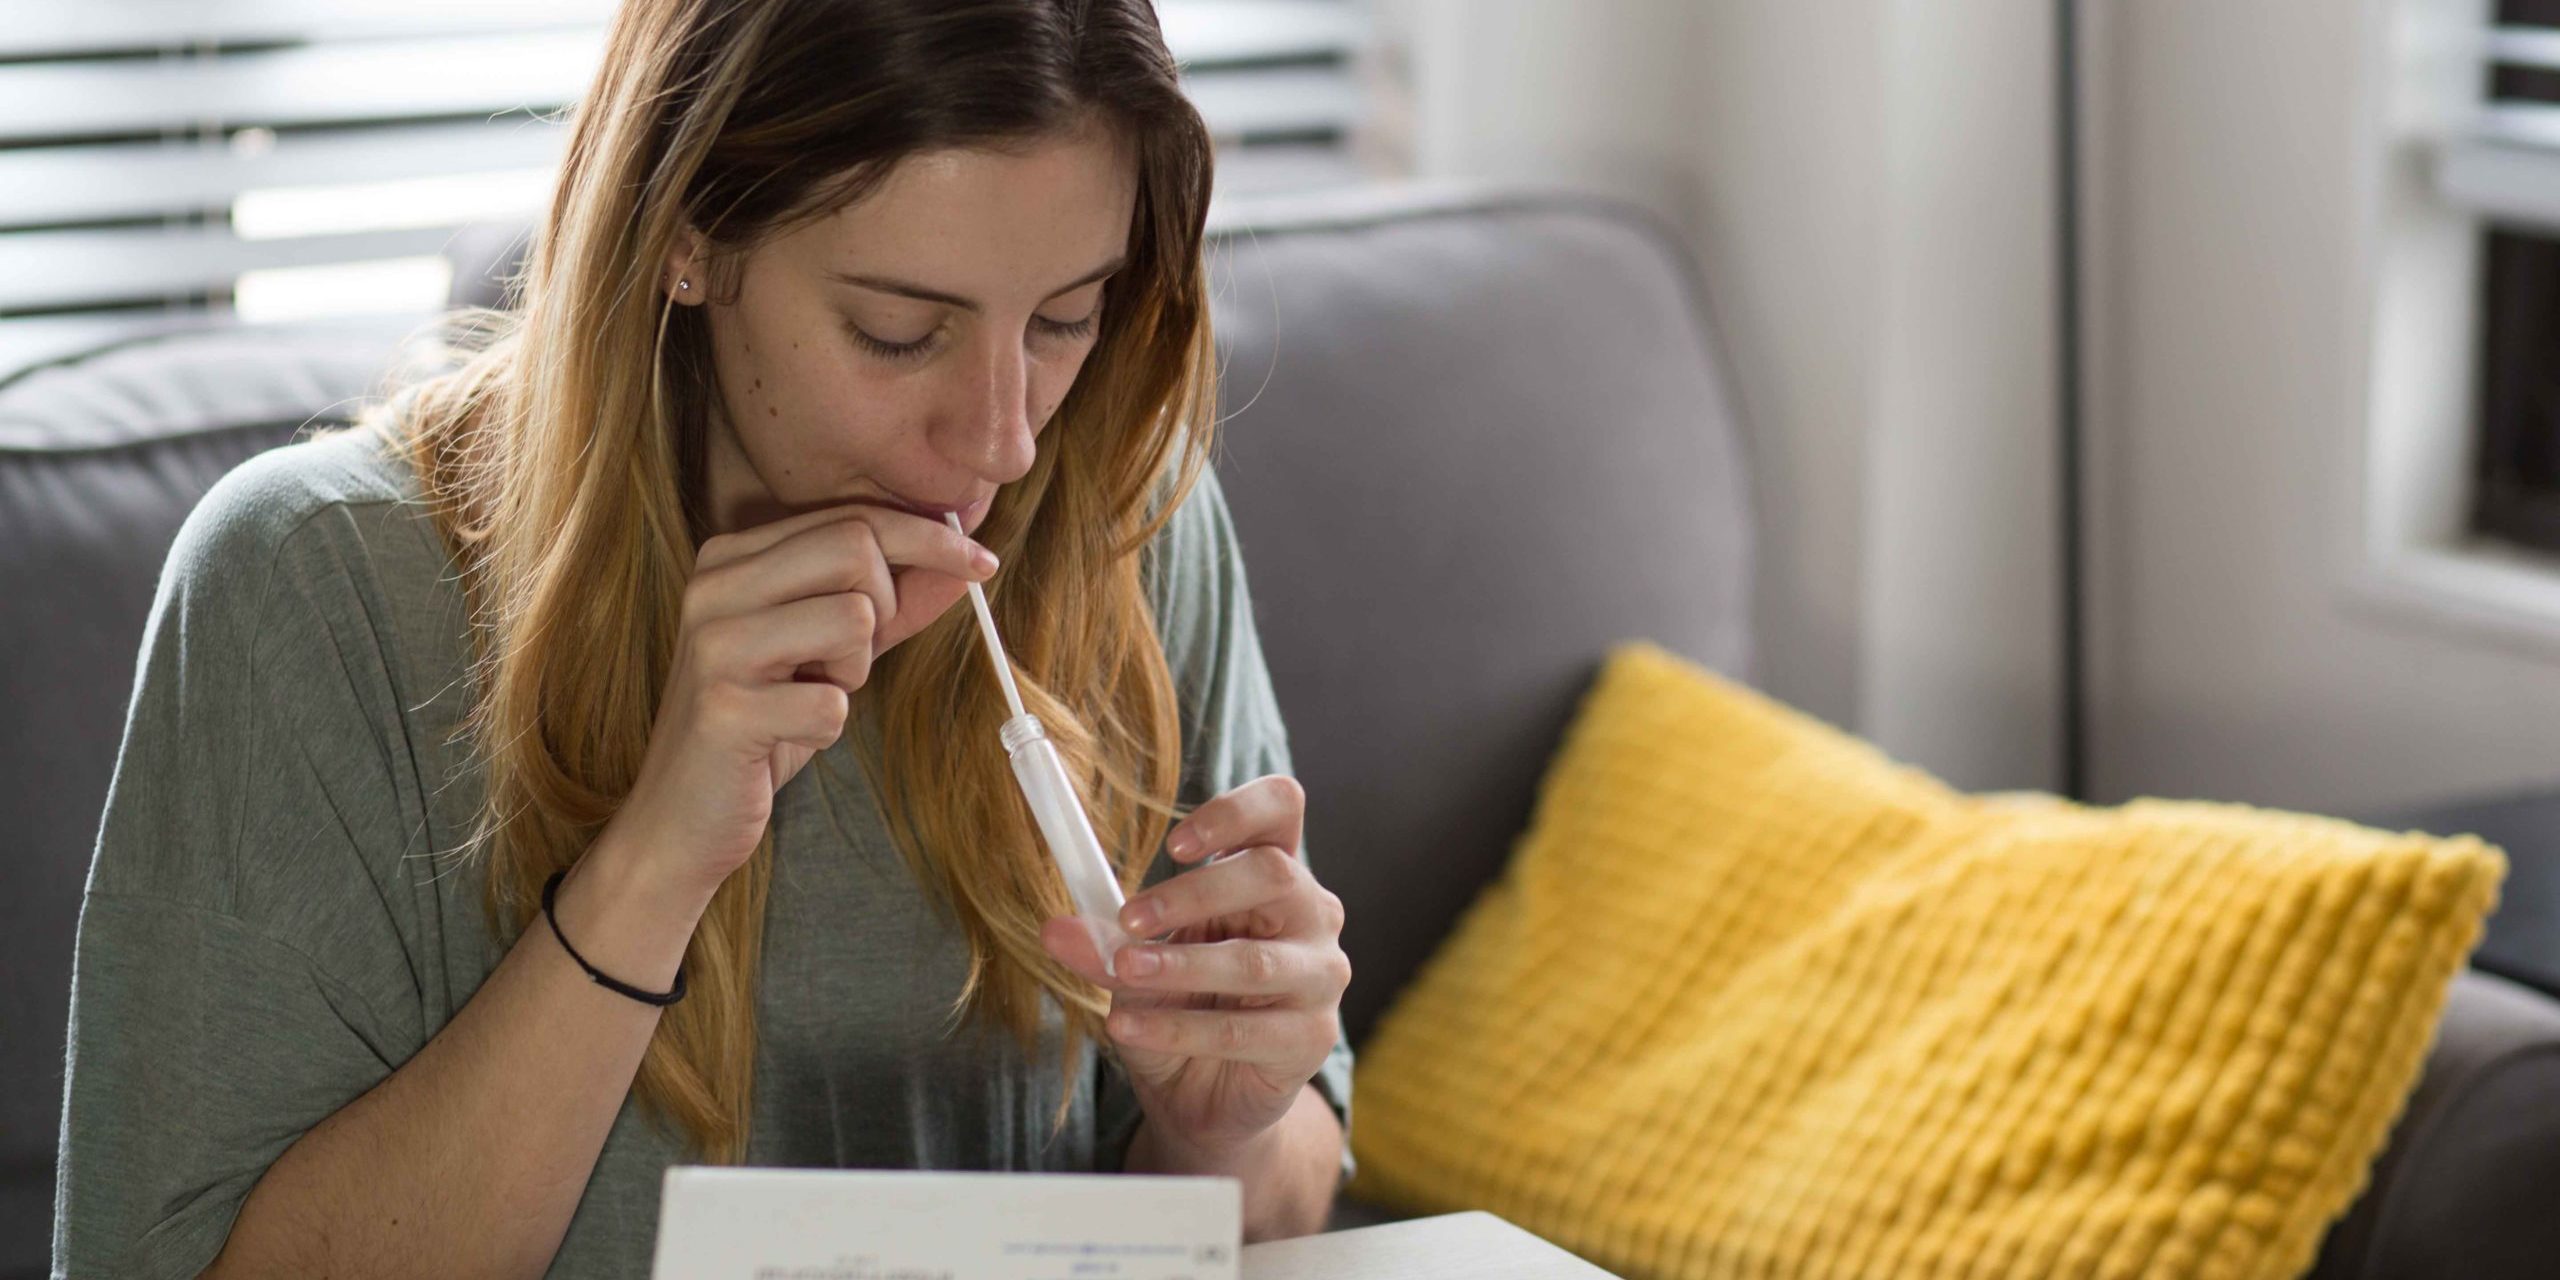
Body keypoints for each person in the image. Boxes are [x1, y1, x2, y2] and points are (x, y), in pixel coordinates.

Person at [49, 1, 1355, 1274]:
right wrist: (654, 865)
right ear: (687, 236)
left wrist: (1218, 1126)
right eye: (899, 332)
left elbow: (1288, 1192)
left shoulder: (1119, 522)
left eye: (1066, 316)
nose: (1004, 440)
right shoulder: (312, 586)